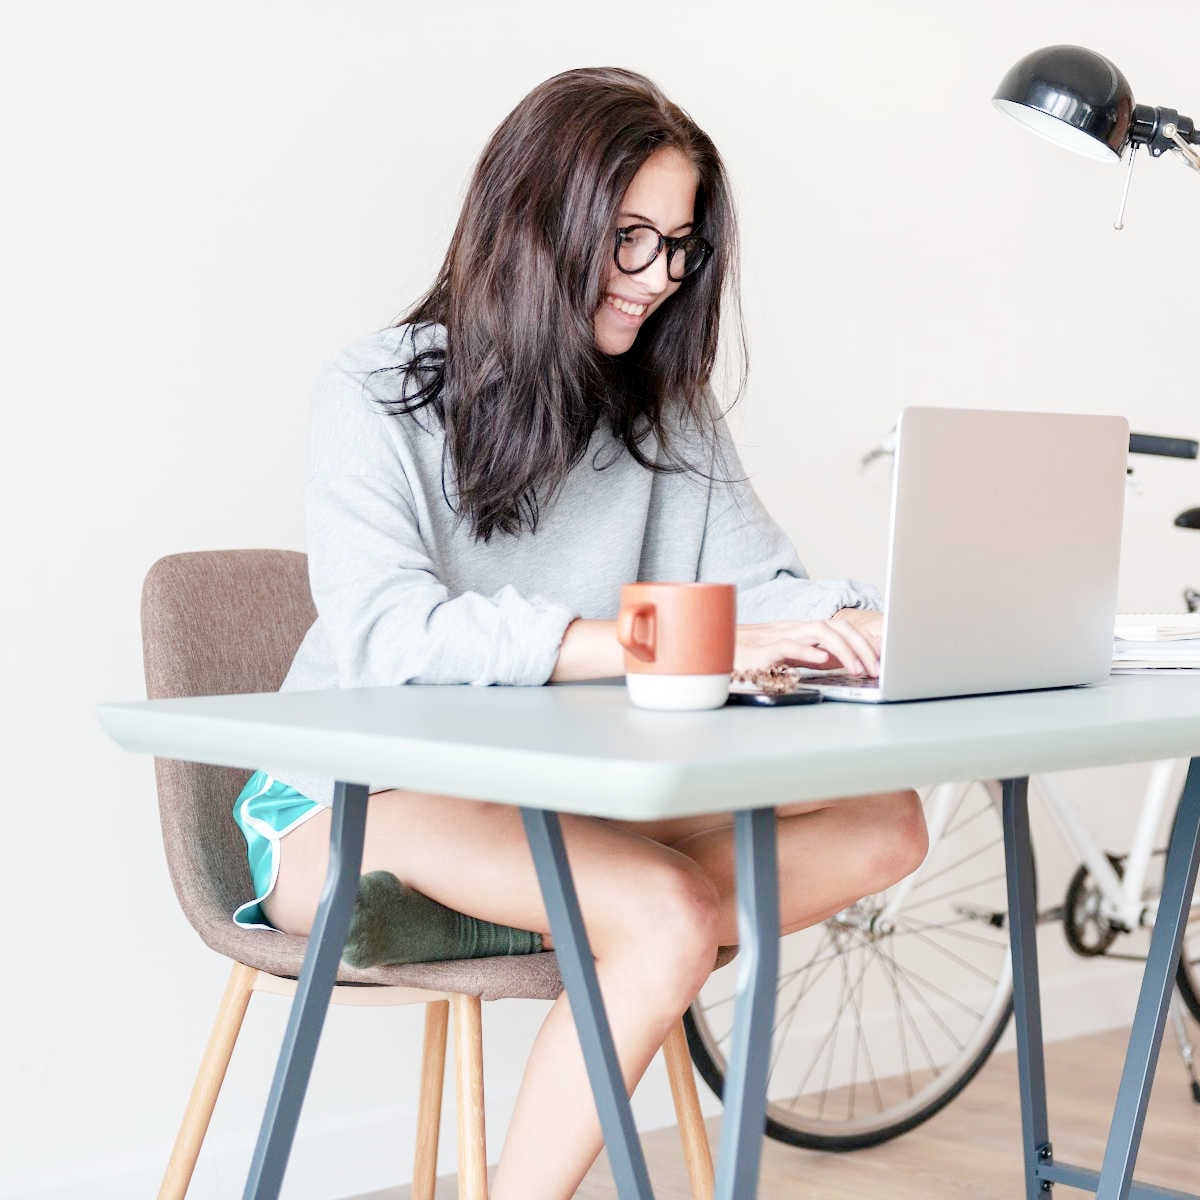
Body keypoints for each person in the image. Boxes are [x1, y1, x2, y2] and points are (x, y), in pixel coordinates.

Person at [232, 66, 928, 1200]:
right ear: (538, 221)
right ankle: (625, 945)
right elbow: (389, 633)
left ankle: (614, 922)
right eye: (630, 238)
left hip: (556, 796)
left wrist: (859, 622)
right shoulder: (375, 394)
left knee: (887, 823)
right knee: (669, 914)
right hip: (346, 802)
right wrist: (657, 641)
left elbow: (759, 588)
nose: (659, 277)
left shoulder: (667, 416)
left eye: (681, 245)